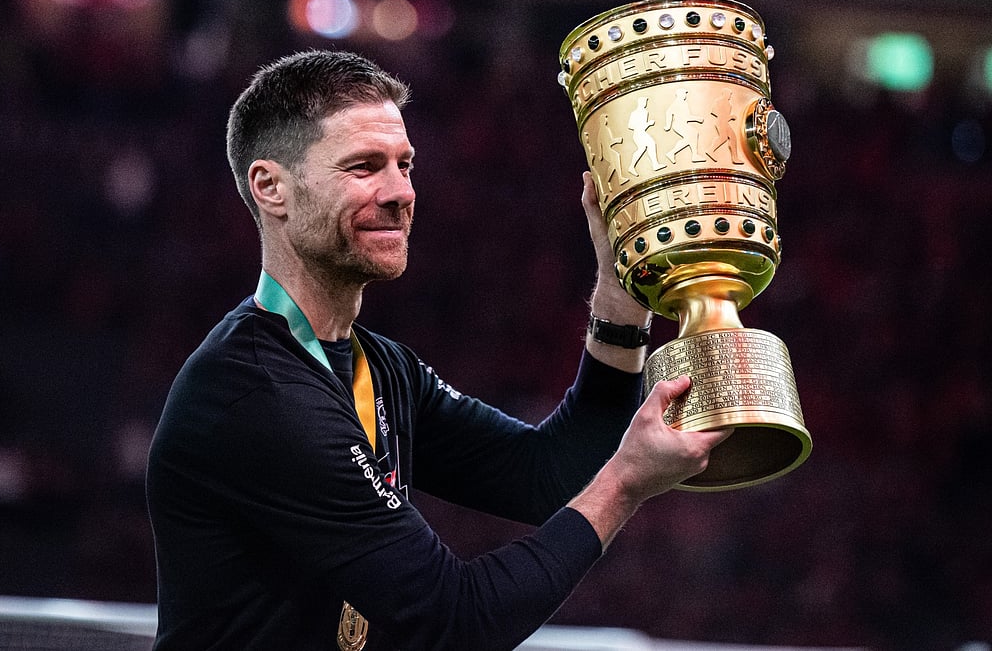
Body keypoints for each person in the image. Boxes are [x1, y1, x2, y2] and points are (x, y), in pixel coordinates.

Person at [145, 49, 731, 651]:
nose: (400, 191)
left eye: (406, 165)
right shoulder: (256, 393)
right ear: (271, 188)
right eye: (364, 167)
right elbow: (455, 620)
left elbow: (549, 476)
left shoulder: (382, 369)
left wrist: (620, 287)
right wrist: (626, 484)